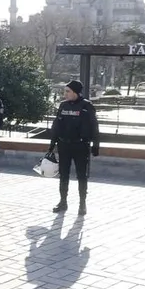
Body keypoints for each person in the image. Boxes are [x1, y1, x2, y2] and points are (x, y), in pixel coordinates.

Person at [48, 80, 100, 215]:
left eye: (68, 91)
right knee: (63, 175)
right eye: (65, 91)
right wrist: (52, 144)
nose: (65, 94)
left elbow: (94, 126)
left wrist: (96, 145)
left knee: (82, 176)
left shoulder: (86, 106)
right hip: (64, 145)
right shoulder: (63, 105)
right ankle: (63, 202)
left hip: (80, 146)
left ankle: (82, 204)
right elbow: (56, 126)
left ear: (76, 92)